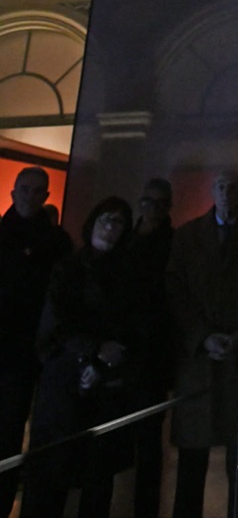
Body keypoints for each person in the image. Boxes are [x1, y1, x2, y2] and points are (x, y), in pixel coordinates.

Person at [21, 196, 153, 518]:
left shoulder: (131, 276)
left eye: (118, 222)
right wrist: (91, 351)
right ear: (93, 222)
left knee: (97, 483)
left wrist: (104, 362)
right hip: (64, 386)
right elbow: (54, 325)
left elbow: (137, 329)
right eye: (105, 219)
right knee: (50, 480)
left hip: (106, 390)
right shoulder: (68, 268)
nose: (110, 228)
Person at [166, 170, 238, 518]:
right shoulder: (186, 236)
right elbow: (176, 291)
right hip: (200, 361)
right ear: (212, 191)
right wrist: (201, 337)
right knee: (192, 457)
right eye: (221, 186)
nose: (227, 193)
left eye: (234, 187)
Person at [0, 166, 71, 518]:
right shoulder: (52, 241)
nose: (29, 195)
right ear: (14, 192)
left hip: (29, 354)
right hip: (18, 351)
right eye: (25, 189)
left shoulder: (56, 243)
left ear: (45, 196)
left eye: (36, 190)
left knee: (11, 433)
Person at [128, 178, 175, 518]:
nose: (153, 209)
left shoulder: (174, 244)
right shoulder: (127, 241)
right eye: (149, 202)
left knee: (147, 444)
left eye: (160, 203)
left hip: (151, 355)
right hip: (124, 352)